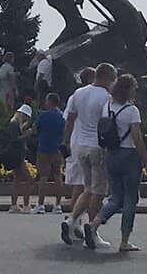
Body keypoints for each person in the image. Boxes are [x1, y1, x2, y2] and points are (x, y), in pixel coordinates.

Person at [83, 74, 147, 252]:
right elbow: (136, 137)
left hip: (111, 155)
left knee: (115, 198)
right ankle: (124, 240)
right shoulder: (131, 111)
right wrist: (145, 159)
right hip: (129, 155)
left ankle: (93, 224)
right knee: (130, 199)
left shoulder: (107, 107)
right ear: (129, 90)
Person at [60, 62, 116, 248]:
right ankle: (92, 231)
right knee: (98, 192)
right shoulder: (107, 98)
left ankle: (71, 221)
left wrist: (66, 142)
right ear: (107, 78)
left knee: (87, 188)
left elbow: (70, 119)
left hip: (80, 146)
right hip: (97, 147)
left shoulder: (79, 93)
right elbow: (107, 125)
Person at [62, 66, 96, 224]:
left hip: (76, 143)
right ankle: (75, 220)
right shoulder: (86, 95)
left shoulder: (75, 95)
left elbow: (68, 119)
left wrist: (66, 141)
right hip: (86, 143)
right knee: (87, 186)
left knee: (79, 184)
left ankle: (74, 219)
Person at [0, 103, 35, 213]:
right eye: (25, 117)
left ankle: (14, 205)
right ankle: (26, 205)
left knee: (17, 180)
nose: (25, 119)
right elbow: (15, 140)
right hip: (17, 156)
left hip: (15, 155)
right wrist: (26, 135)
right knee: (29, 180)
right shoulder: (14, 125)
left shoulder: (14, 124)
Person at [34, 93, 65, 214]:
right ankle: (58, 205)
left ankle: (40, 204)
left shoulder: (43, 115)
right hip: (57, 149)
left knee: (43, 177)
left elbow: (36, 129)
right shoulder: (62, 116)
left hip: (44, 148)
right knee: (58, 177)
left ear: (50, 102)